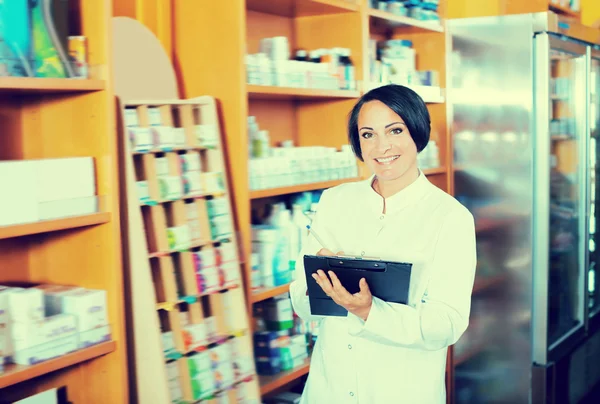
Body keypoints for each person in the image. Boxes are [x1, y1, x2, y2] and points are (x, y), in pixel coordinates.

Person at [289, 84, 477, 403]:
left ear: (418, 133)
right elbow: (300, 300)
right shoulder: (335, 201)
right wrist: (318, 284)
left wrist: (368, 310)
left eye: (395, 130)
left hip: (402, 390)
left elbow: (446, 325)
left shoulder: (450, 217)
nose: (382, 146)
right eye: (368, 134)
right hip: (328, 388)